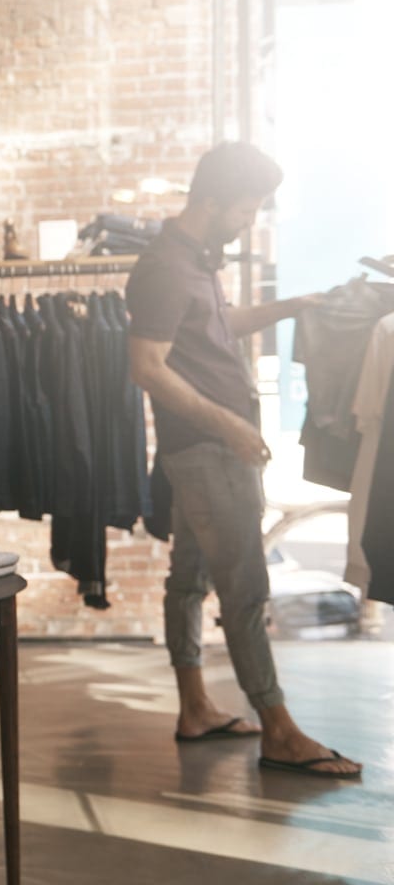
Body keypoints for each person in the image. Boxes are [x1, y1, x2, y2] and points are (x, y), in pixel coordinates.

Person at [126, 142, 361, 778]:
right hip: (208, 453)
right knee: (245, 587)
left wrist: (295, 305)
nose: (249, 221)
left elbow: (220, 328)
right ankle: (278, 728)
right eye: (245, 209)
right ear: (211, 201)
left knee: (190, 578)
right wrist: (229, 424)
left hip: (206, 451)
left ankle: (195, 708)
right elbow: (146, 367)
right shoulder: (165, 270)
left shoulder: (195, 262)